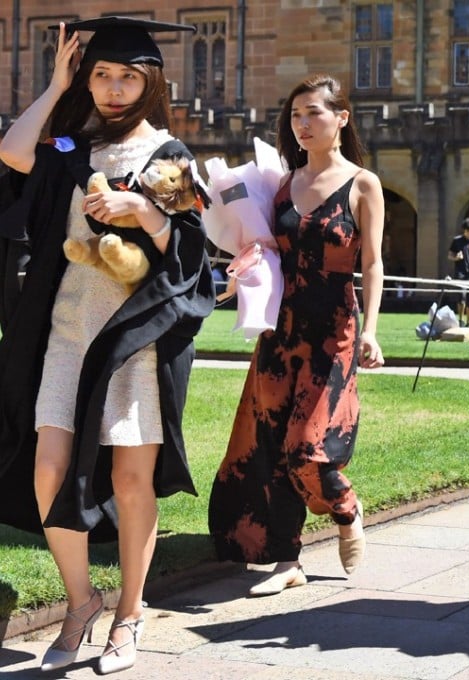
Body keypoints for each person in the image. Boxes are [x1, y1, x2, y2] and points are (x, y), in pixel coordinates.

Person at [0, 17, 214, 674]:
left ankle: (130, 612)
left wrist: (146, 215)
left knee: (128, 478)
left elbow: (194, 257)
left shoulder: (171, 157)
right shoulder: (69, 146)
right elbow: (12, 153)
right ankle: (81, 599)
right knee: (48, 468)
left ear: (150, 82)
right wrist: (55, 83)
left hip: (136, 343)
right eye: (101, 75)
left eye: (127, 76)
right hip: (67, 333)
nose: (114, 89)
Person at [208, 74, 385, 597]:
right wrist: (240, 273)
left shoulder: (362, 184)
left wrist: (372, 329)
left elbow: (372, 263)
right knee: (272, 444)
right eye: (295, 116)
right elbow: (263, 248)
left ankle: (347, 509)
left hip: (334, 330)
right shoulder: (280, 183)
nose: (303, 124)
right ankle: (286, 558)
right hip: (281, 331)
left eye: (314, 113)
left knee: (308, 447)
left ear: (342, 118)